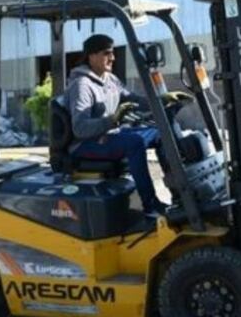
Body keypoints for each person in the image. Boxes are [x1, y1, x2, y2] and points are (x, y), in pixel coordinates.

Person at [66, 34, 189, 216]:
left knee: (160, 132)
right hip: (85, 144)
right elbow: (80, 128)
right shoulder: (82, 85)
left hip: (107, 135)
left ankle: (181, 195)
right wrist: (113, 120)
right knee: (134, 143)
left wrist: (161, 100)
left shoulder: (110, 79)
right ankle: (150, 204)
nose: (113, 58)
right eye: (107, 53)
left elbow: (133, 99)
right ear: (91, 56)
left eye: (113, 53)